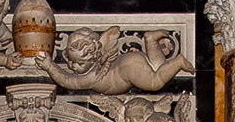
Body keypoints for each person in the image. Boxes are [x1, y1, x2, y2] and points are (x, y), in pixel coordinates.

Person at [35, 28, 193, 95]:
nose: (73, 67)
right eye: (70, 62)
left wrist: (50, 66)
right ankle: (150, 40)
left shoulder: (89, 78)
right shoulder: (97, 61)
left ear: (94, 58)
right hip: (128, 61)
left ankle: (178, 62)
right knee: (157, 67)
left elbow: (68, 81)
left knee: (155, 83)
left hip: (128, 72)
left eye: (79, 63)